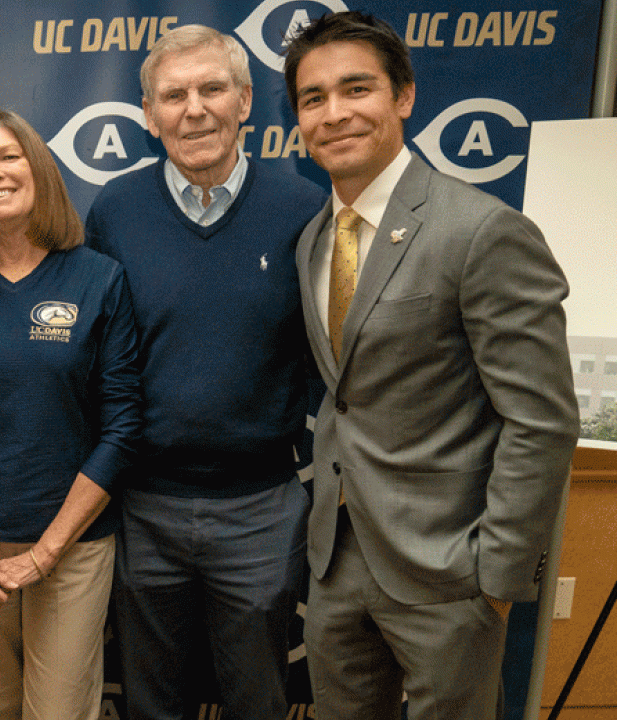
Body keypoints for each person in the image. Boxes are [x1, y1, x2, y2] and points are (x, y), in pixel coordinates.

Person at [283, 12, 579, 719]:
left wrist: (496, 576)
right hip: (336, 562)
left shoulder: (481, 230)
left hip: (450, 573)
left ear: (405, 96)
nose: (334, 113)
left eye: (357, 89)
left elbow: (540, 420)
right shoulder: (313, 239)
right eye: (313, 98)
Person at [84, 25, 325, 720]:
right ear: (148, 114)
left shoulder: (304, 210)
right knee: (150, 701)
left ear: (244, 101)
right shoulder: (115, 212)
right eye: (174, 95)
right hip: (142, 506)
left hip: (260, 508)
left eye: (212, 89)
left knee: (258, 698)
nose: (194, 109)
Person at [0, 105, 141, 720]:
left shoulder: (99, 280)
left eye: (8, 156)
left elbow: (121, 428)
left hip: (70, 549)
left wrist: (46, 552)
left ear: (38, 168)